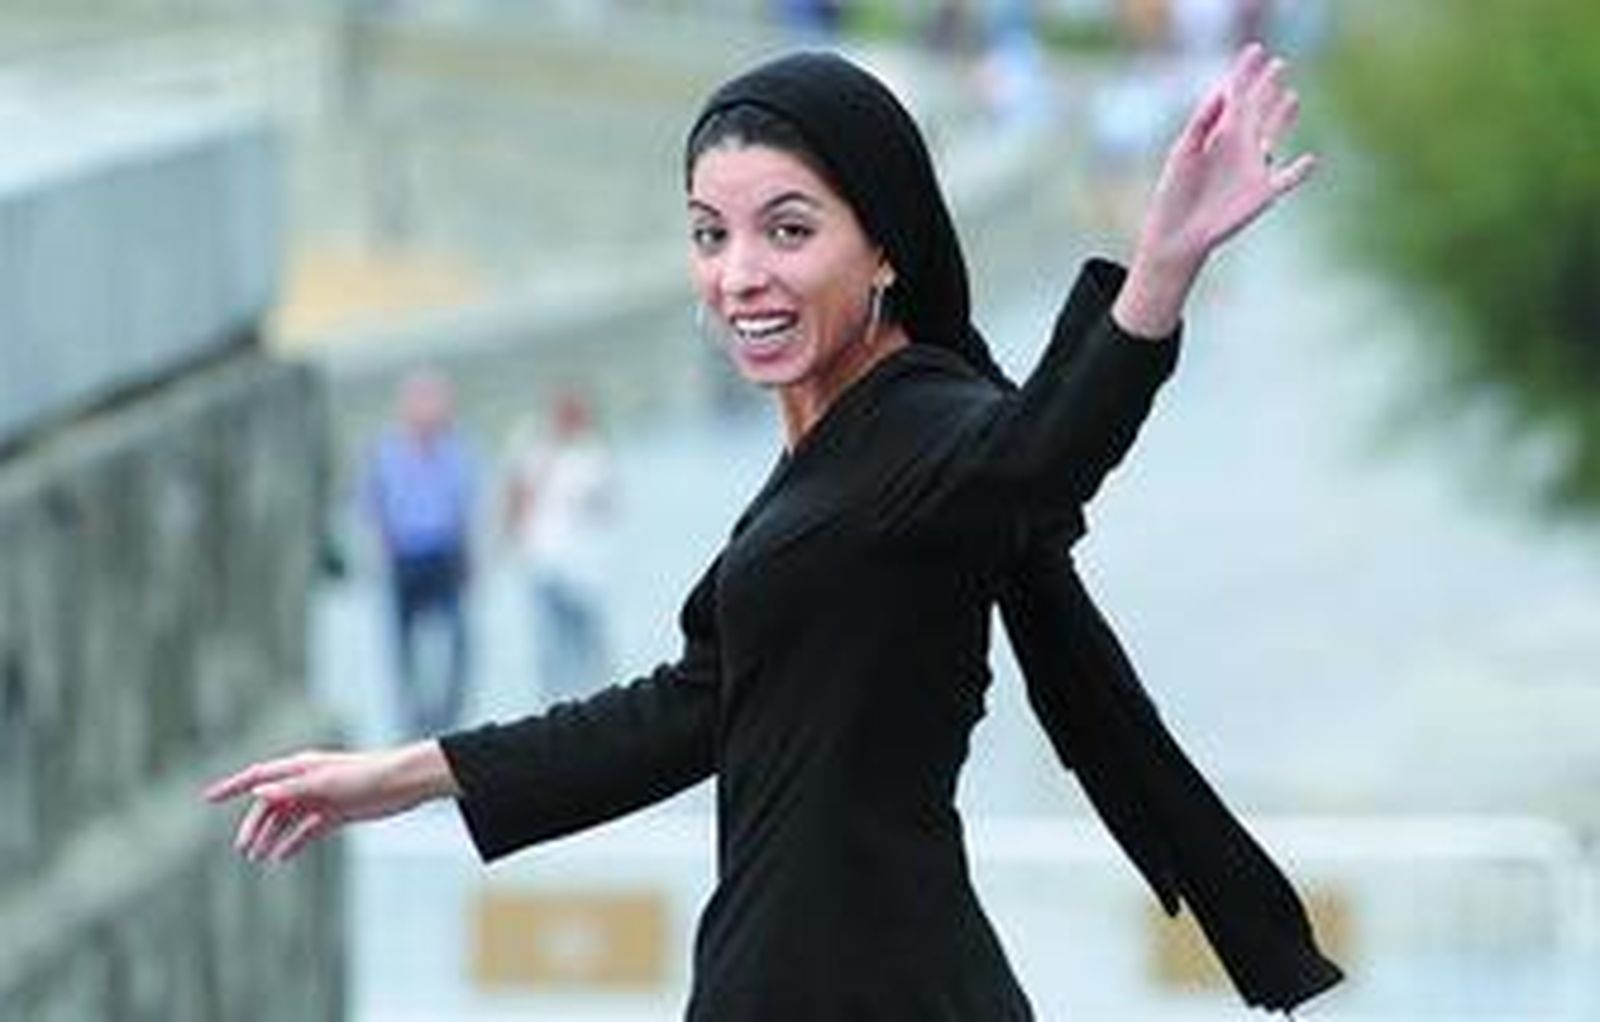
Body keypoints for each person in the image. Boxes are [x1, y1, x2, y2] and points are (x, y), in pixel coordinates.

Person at [208, 46, 1341, 1017]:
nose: (738, 274)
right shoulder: (831, 444)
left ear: (884, 245)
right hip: (798, 976)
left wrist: (1159, 271)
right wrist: (401, 774)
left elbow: (1042, 455)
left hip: (869, 984)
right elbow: (691, 704)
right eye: (711, 234)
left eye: (787, 229)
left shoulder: (927, 426)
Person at [361, 369, 476, 738]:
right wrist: (380, 545)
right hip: (405, 556)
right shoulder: (386, 451)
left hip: (444, 552)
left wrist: (469, 554)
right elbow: (371, 503)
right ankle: (412, 715)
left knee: (457, 638)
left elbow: (465, 505)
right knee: (403, 642)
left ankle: (448, 714)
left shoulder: (456, 449)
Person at [501, 389, 616, 704]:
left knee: (590, 648)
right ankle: (555, 708)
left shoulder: (592, 454)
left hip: (585, 572)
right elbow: (516, 498)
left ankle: (596, 705)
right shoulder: (532, 447)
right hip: (543, 565)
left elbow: (605, 507)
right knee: (551, 650)